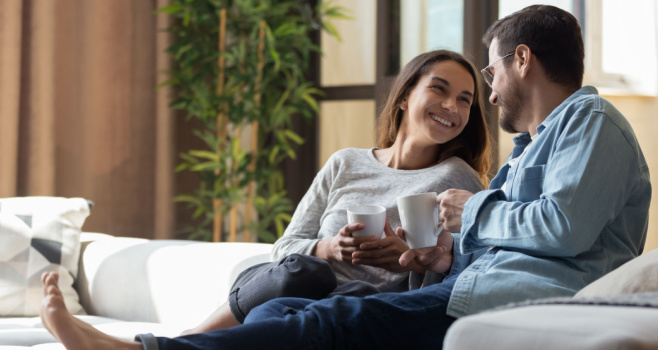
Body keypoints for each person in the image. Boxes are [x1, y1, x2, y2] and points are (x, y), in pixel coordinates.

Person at [39, 4, 652, 350]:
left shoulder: (589, 119)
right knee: (288, 310)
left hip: (504, 300)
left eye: (487, 77)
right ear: (406, 94)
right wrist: (440, 259)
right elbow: (494, 242)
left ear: (522, 59)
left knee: (329, 321)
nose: (487, 95)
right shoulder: (532, 148)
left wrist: (464, 222)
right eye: (449, 88)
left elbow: (565, 229)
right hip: (464, 287)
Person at [179, 49, 491, 335]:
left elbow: (472, 272)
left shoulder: (458, 179)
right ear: (405, 96)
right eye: (439, 88)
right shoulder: (345, 162)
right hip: (294, 290)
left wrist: (409, 260)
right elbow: (283, 248)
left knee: (343, 298)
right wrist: (328, 248)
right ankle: (192, 336)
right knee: (304, 271)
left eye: (465, 99)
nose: (452, 105)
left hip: (356, 310)